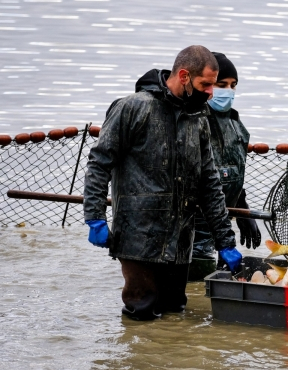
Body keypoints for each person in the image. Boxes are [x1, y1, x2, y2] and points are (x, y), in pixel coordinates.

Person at [83, 46, 243, 321]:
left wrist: (225, 241)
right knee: (142, 313)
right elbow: (99, 163)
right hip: (138, 239)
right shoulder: (133, 107)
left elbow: (210, 184)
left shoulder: (199, 117)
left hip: (180, 241)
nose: (211, 92)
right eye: (205, 84)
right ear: (183, 76)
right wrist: (95, 217)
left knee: (175, 315)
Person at [192, 52, 260, 272]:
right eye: (222, 84)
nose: (228, 91)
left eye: (233, 85)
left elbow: (232, 171)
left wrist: (242, 208)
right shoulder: (193, 120)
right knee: (194, 285)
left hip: (222, 221)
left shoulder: (235, 124)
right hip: (193, 223)